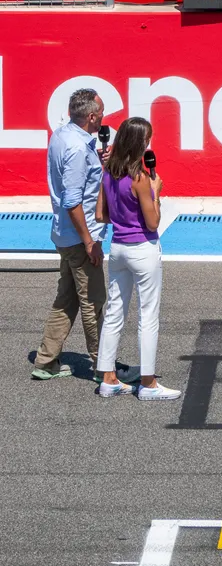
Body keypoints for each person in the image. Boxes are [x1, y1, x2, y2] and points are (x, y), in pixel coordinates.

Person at [95, 117, 181, 400]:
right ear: (139, 144)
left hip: (117, 247)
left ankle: (108, 378)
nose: (149, 144)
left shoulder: (109, 173)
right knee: (148, 316)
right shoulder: (141, 179)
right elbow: (153, 222)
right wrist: (156, 192)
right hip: (143, 249)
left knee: (114, 313)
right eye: (147, 139)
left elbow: (100, 215)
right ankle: (148, 383)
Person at [32, 89, 107, 380]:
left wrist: (97, 158)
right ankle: (104, 366)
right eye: (100, 114)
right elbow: (73, 200)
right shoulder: (78, 148)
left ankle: (46, 361)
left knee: (67, 299)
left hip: (63, 233)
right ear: (90, 116)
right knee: (94, 302)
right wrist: (90, 242)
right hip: (79, 237)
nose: (103, 119)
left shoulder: (63, 136)